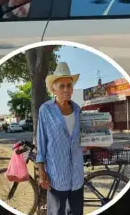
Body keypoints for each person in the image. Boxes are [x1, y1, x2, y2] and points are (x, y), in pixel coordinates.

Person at [35, 62, 85, 215]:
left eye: (69, 85)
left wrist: (103, 127)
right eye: (61, 86)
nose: (66, 89)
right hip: (57, 175)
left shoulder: (77, 110)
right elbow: (41, 143)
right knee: (56, 212)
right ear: (53, 89)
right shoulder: (46, 110)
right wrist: (41, 171)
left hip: (76, 175)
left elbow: (84, 137)